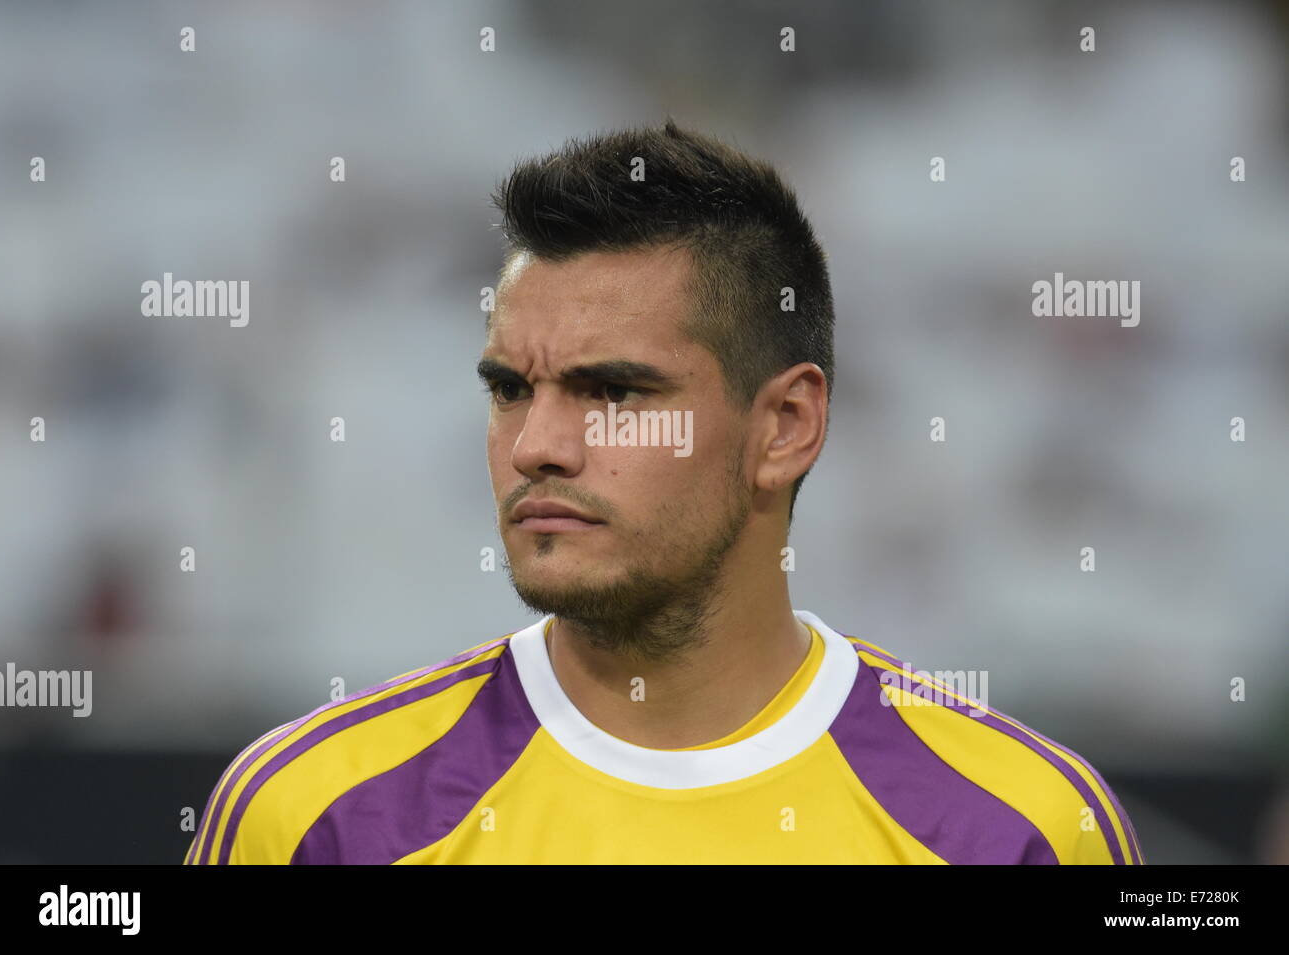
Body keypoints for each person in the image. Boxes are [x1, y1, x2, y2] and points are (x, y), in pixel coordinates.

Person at [185, 120, 1142, 864]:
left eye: (614, 391)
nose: (538, 445)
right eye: (510, 389)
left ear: (785, 427)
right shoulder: (317, 816)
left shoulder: (1020, 830)